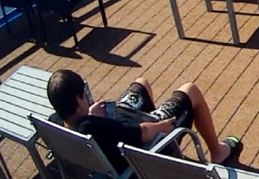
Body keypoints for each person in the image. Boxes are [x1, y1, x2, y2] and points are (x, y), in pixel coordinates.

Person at [46, 69, 243, 173]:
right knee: (190, 90)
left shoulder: (56, 124)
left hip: (113, 157)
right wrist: (163, 126)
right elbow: (144, 133)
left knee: (141, 84)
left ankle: (153, 114)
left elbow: (92, 127)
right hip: (147, 155)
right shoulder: (94, 126)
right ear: (79, 99)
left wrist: (91, 115)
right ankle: (218, 152)